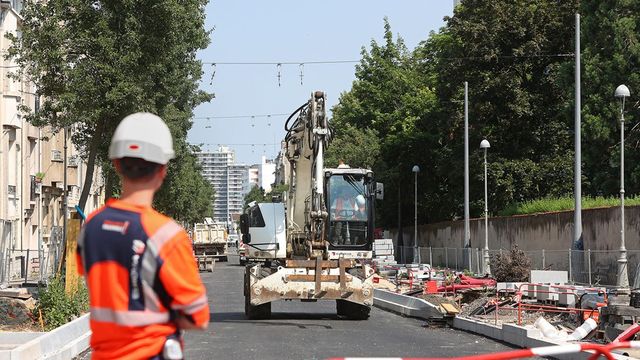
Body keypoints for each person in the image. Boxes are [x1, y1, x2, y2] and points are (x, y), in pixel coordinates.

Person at [77, 112, 209, 360]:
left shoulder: (91, 228)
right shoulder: (167, 235)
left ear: (116, 164)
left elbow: (98, 282)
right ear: (163, 169)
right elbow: (197, 316)